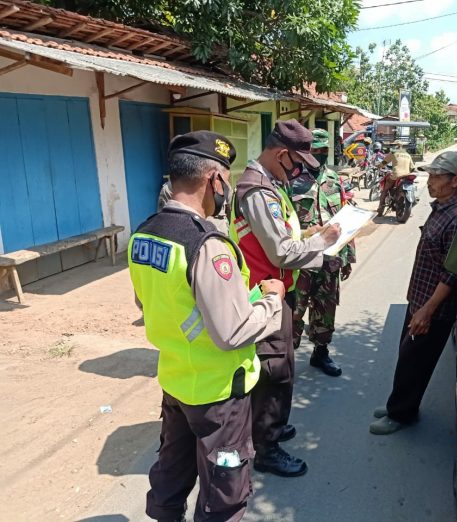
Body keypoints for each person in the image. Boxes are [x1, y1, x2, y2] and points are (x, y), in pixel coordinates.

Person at [128, 130, 285, 521]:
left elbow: (150, 303)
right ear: (214, 179)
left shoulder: (143, 233)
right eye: (226, 179)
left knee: (173, 467)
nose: (227, 189)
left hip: (176, 380)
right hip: (218, 394)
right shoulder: (207, 244)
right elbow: (232, 333)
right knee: (224, 486)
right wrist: (271, 300)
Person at [229, 119, 341, 477]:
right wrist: (321, 242)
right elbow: (279, 252)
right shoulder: (258, 191)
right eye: (297, 163)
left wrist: (307, 234)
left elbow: (279, 236)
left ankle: (269, 425)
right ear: (281, 155)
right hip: (266, 294)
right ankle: (266, 446)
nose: (298, 171)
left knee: (277, 367)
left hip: (276, 290)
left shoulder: (269, 185)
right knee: (275, 371)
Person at [369, 150, 457, 435]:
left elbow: (451, 274)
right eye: (430, 175)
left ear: (455, 180)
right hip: (419, 299)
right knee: (406, 356)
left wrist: (427, 311)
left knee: (415, 362)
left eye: (437, 177)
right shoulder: (441, 209)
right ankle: (400, 404)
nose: (430, 181)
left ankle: (400, 414)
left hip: (433, 309)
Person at [290, 128, 356, 377]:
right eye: (315, 150)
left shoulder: (334, 179)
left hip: (330, 258)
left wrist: (348, 256)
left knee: (326, 307)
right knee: (294, 309)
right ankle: (286, 358)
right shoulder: (291, 180)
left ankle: (320, 352)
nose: (320, 154)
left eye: (324, 150)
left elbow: (345, 219)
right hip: (301, 258)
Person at [158, 178, 230, 234]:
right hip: (188, 240)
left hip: (219, 238)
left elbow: (229, 213)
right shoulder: (170, 188)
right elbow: (164, 220)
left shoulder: (222, 185)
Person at [376, 141, 416, 216]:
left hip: (396, 175)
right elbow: (413, 168)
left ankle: (380, 209)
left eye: (394, 145)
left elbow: (384, 162)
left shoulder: (393, 152)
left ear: (397, 146)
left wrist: (378, 166)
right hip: (406, 176)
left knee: (385, 190)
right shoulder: (407, 155)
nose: (393, 146)